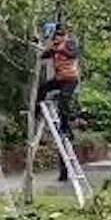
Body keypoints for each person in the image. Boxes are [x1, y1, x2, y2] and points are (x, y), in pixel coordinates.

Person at [41, 26, 82, 179]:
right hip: (59, 79)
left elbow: (74, 54)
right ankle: (39, 111)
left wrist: (59, 50)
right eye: (54, 38)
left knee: (64, 102)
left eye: (57, 38)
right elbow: (44, 55)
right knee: (43, 88)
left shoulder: (68, 44)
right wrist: (43, 47)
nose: (55, 40)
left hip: (70, 79)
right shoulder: (55, 47)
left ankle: (66, 126)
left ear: (62, 36)